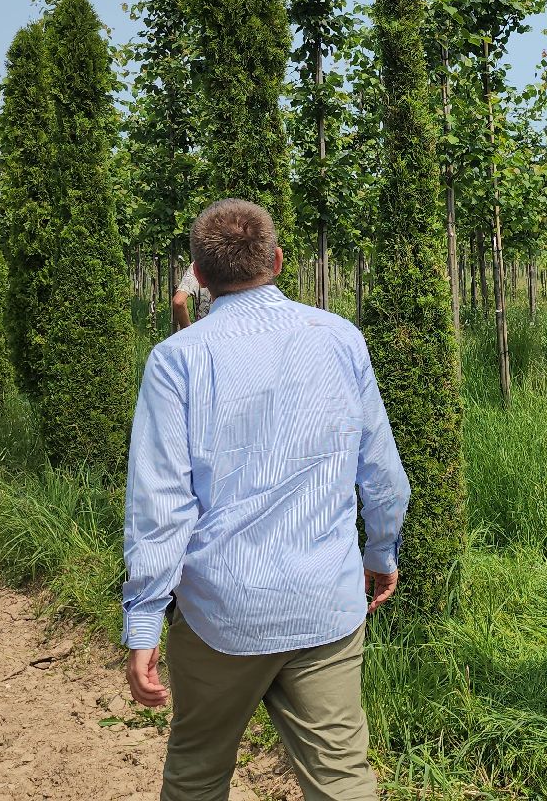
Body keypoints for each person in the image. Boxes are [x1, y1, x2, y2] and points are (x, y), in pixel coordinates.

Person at [121, 197, 410, 801]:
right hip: (323, 606)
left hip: (218, 611)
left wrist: (144, 619)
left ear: (197, 276)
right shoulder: (339, 339)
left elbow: (161, 505)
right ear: (278, 261)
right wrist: (381, 551)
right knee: (342, 780)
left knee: (198, 771)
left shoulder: (177, 360)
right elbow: (381, 470)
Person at [171, 263, 211, 331]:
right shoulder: (233, 261)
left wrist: (189, 331)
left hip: (203, 333)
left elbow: (179, 301)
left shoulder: (199, 264)